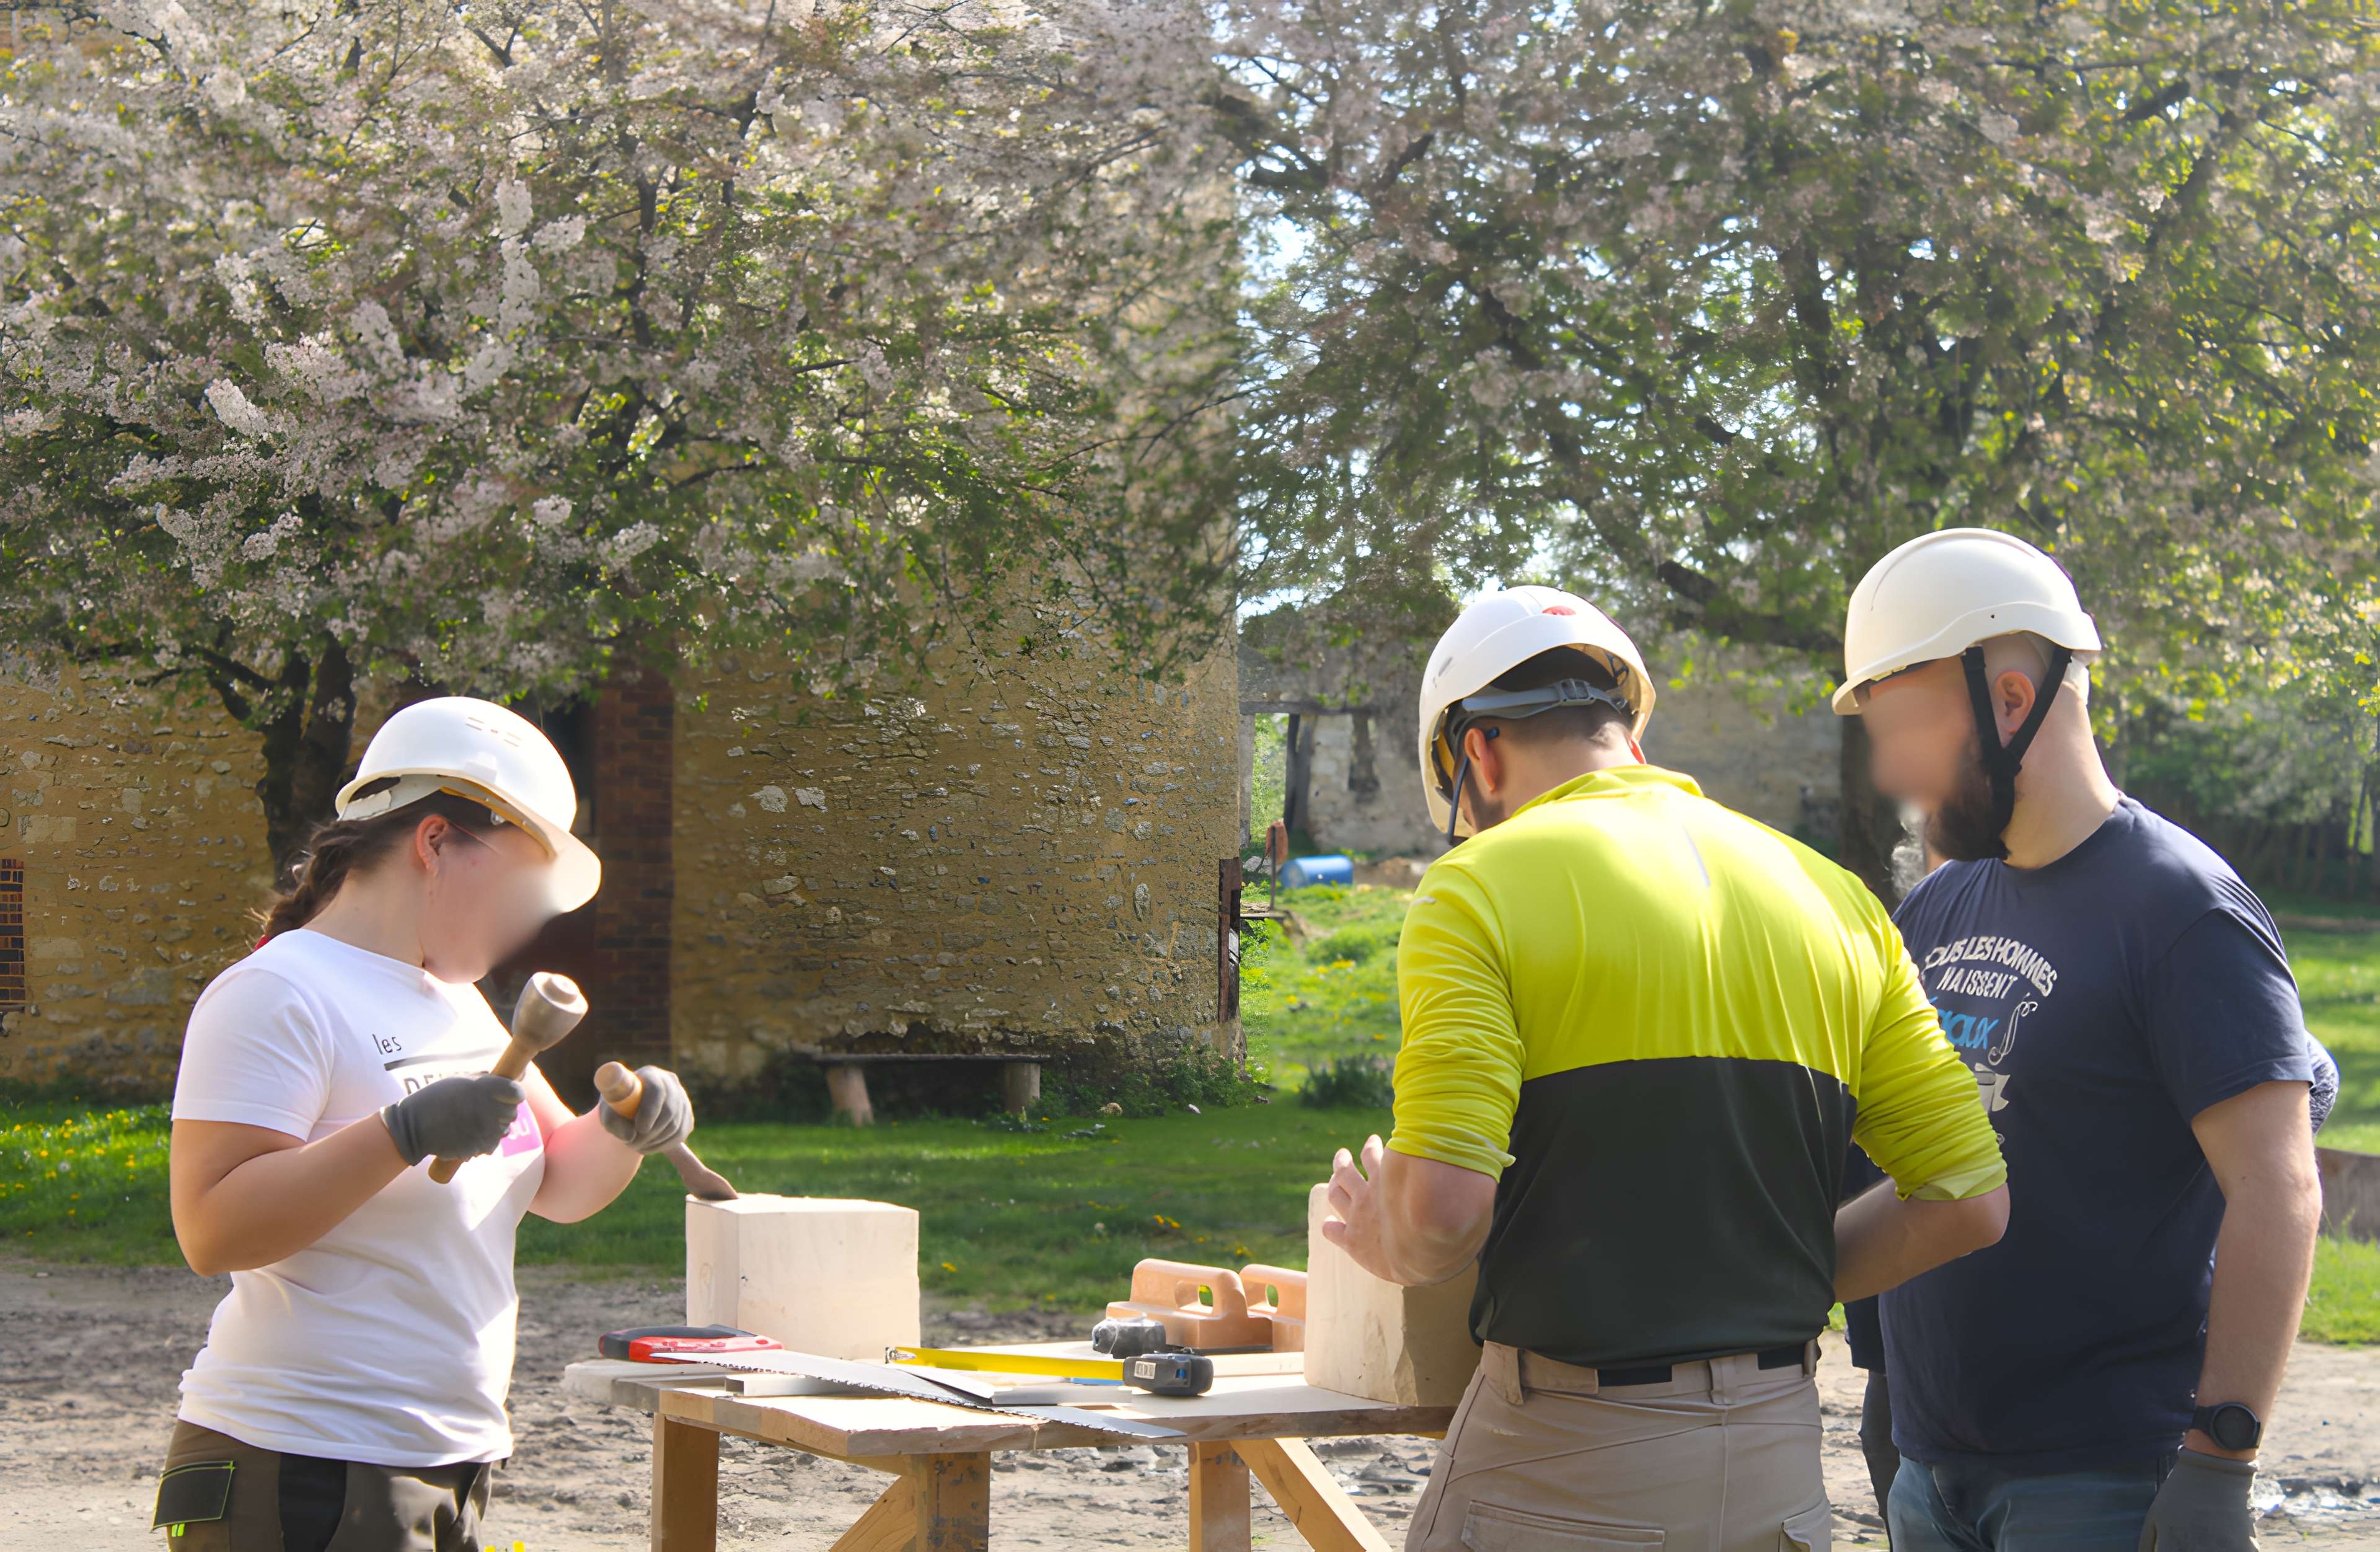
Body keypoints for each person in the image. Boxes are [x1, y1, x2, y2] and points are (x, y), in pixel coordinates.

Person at [1319, 585, 2012, 1551]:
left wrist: (1385, 1242)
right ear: (1627, 730)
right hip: (1779, 1463)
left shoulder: (1475, 888)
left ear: (1476, 752)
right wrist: (1767, 1273)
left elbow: (1440, 1221)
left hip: (1564, 1459)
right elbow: (1969, 1198)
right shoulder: (1838, 898)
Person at [1835, 529, 2329, 1552]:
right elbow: (1904, 1155)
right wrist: (1883, 1373)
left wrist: (2220, 1460)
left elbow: (2278, 1191)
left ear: (2010, 701)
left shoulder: (2182, 910)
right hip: (1932, 1468)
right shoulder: (1937, 907)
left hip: (2105, 1479)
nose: (1896, 774)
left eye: (1908, 731)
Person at [154, 697, 703, 1551]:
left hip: (448, 1458)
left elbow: (556, 1178)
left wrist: (624, 1127)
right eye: (524, 889)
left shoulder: (457, 1002)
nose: (534, 921)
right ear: (436, 843)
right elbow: (212, 1229)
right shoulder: (277, 992)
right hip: (300, 1467)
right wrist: (400, 1134)